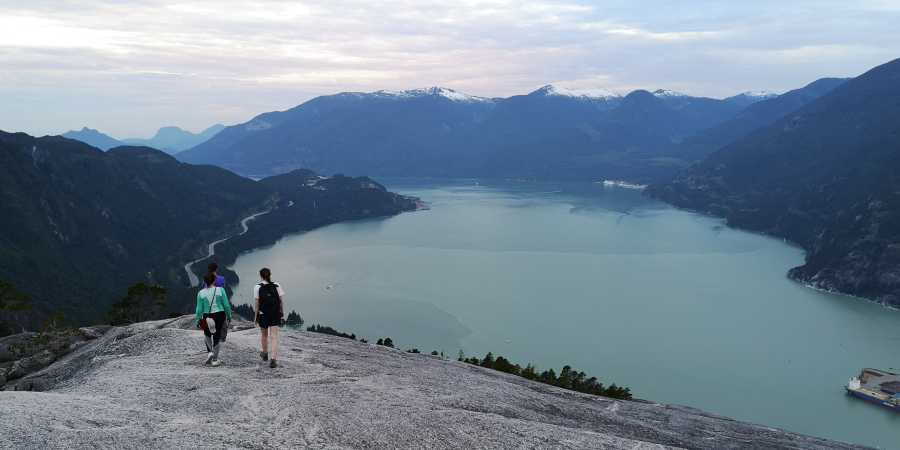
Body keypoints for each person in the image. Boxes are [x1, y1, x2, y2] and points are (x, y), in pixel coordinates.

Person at [195, 272, 232, 367]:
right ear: (214, 280)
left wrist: (197, 319)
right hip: (219, 315)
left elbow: (199, 309)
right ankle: (215, 359)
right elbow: (226, 305)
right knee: (217, 335)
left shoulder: (200, 293)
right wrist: (229, 316)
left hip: (207, 315)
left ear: (204, 281)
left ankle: (209, 352)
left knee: (207, 334)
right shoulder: (221, 290)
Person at [254, 267, 285, 368]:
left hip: (263, 314)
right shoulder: (277, 285)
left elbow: (257, 304)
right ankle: (273, 359)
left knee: (264, 335)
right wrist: (282, 313)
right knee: (274, 337)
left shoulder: (257, 287)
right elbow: (280, 301)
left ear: (261, 276)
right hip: (275, 314)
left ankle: (265, 354)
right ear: (270, 275)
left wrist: (255, 317)